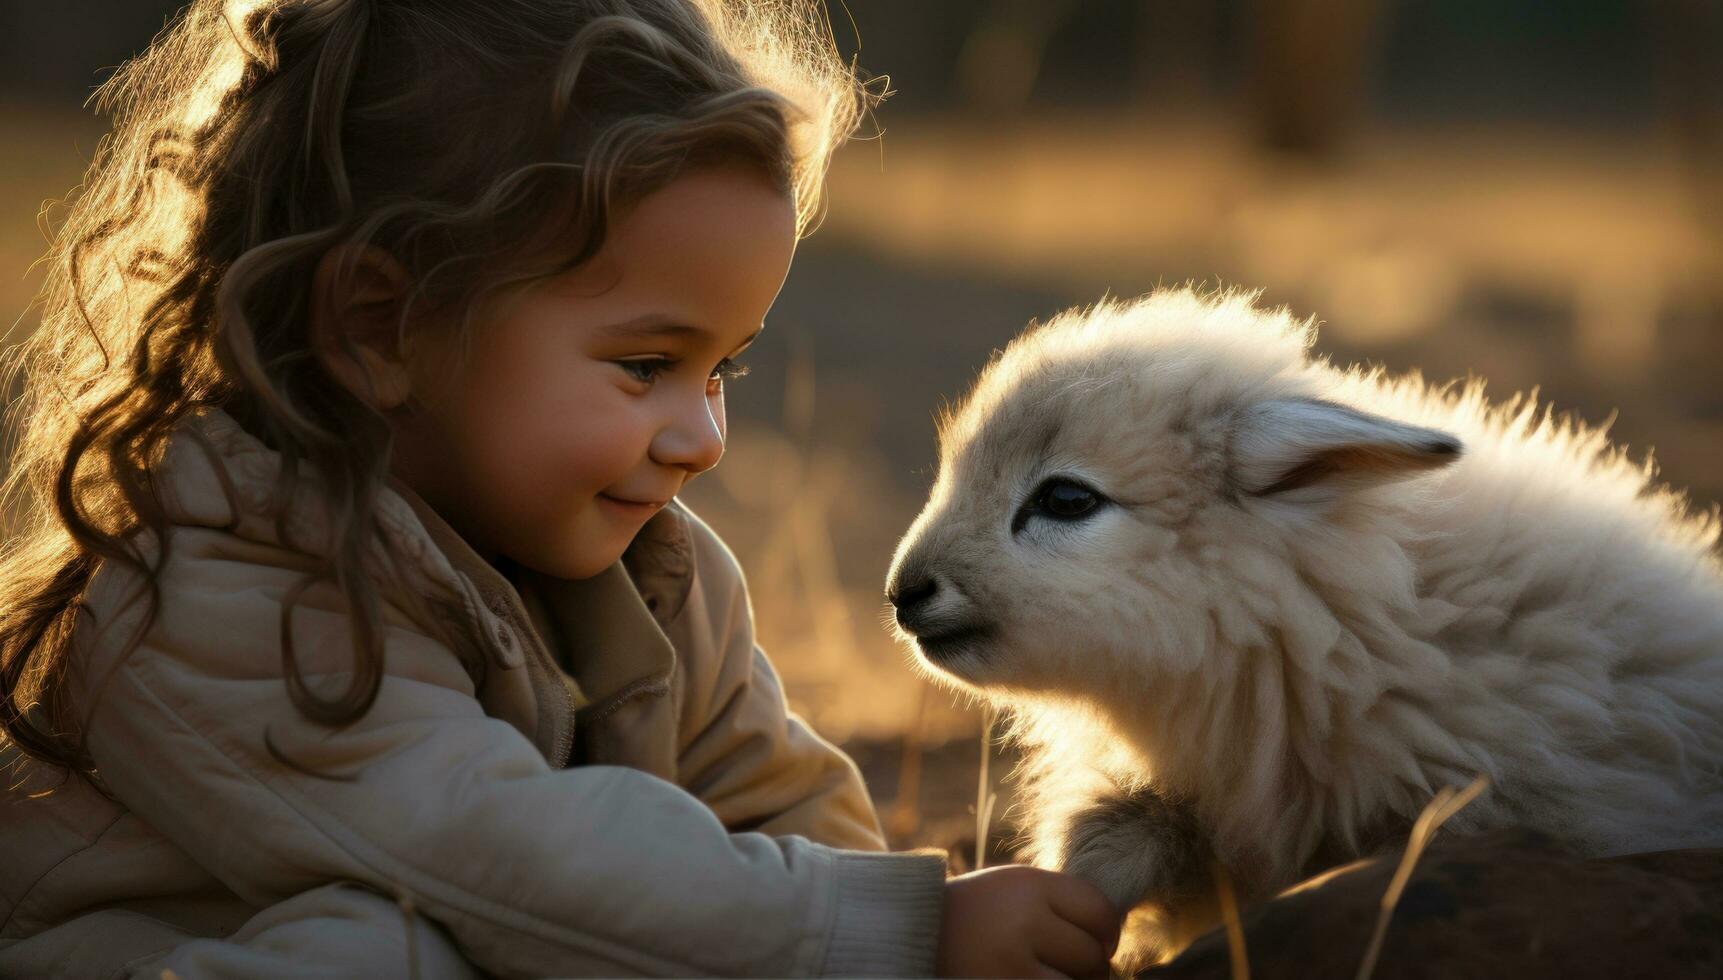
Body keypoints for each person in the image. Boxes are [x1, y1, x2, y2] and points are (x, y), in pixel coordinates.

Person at [0, 1, 1122, 976]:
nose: (703, 435)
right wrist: (899, 935)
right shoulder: (211, 580)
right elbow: (504, 858)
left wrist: (872, 918)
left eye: (721, 368)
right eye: (646, 365)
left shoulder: (658, 575)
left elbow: (778, 800)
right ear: (381, 327)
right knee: (392, 954)